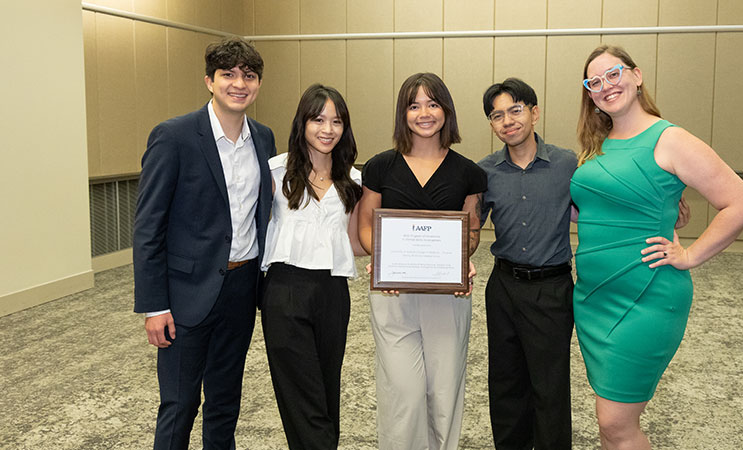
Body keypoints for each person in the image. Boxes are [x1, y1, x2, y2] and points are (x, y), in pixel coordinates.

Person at [570, 45, 743, 450]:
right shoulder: (597, 146)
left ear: (636, 76)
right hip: (593, 299)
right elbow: (597, 210)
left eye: (614, 74)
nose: (606, 86)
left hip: (647, 297)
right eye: (594, 82)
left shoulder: (670, 139)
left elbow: (741, 203)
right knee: (609, 424)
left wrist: (690, 255)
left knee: (616, 424)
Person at [133, 37, 276, 449]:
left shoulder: (264, 138)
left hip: (241, 288)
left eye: (249, 76)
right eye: (228, 74)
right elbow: (148, 228)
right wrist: (155, 306)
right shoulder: (174, 136)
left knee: (225, 402)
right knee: (179, 405)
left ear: (258, 84)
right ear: (209, 81)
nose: (239, 84)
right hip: (184, 295)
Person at [357, 72, 487, 450]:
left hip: (447, 295)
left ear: (446, 110)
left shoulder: (469, 173)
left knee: (444, 392)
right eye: (414, 106)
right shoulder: (380, 167)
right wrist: (383, 261)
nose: (424, 113)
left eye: (432, 104)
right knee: (404, 393)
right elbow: (366, 225)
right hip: (393, 295)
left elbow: (471, 231)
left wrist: (463, 260)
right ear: (403, 113)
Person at [260, 84, 365, 449]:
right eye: (318, 119)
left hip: (333, 292)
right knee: (299, 393)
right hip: (284, 290)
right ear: (302, 123)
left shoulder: (354, 180)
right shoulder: (275, 171)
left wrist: (404, 259)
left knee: (325, 388)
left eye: (336, 121)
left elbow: (355, 242)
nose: (327, 129)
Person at [478, 78, 576, 450]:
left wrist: (664, 213)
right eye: (497, 115)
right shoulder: (485, 172)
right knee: (506, 382)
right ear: (491, 124)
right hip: (503, 287)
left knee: (550, 386)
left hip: (551, 288)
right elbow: (464, 226)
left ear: (534, 113)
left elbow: (603, 207)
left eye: (515, 110)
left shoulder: (568, 164)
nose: (508, 121)